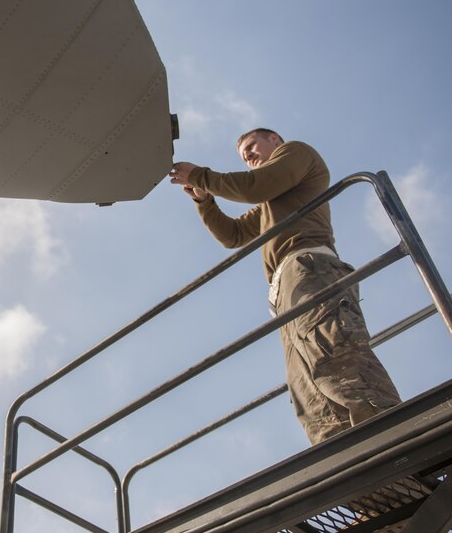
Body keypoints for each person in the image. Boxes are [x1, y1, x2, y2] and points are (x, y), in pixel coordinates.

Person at [168, 129, 401, 444]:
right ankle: (344, 458)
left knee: (333, 357)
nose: (248, 155)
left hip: (308, 268)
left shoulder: (296, 153)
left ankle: (393, 439)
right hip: (285, 288)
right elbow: (233, 235)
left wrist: (200, 175)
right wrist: (203, 199)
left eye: (252, 146)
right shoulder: (271, 201)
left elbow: (253, 187)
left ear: (274, 140)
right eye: (243, 154)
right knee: (308, 391)